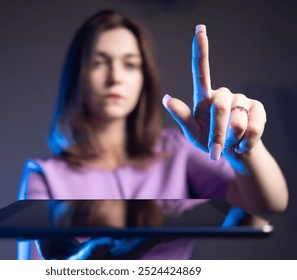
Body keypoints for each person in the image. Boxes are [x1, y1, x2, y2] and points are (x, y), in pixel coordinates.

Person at [17, 9, 288, 260]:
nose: (115, 77)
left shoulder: (178, 150)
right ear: (78, 75)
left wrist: (242, 147)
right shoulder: (44, 175)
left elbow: (269, 202)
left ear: (144, 77)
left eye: (130, 64)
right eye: (98, 62)